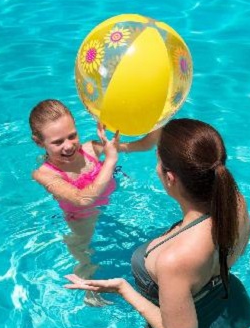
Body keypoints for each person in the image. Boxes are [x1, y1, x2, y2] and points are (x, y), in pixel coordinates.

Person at [65, 118, 250, 328]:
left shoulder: (174, 258)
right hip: (231, 310)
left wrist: (123, 289)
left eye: (158, 162)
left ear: (170, 177)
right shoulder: (234, 202)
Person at [29, 99, 159, 306]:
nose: (69, 146)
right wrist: (110, 160)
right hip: (81, 216)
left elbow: (144, 145)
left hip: (110, 202)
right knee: (84, 254)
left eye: (72, 136)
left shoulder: (91, 149)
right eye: (58, 142)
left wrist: (160, 118)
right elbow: (83, 199)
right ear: (39, 142)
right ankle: (90, 293)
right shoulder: (43, 174)